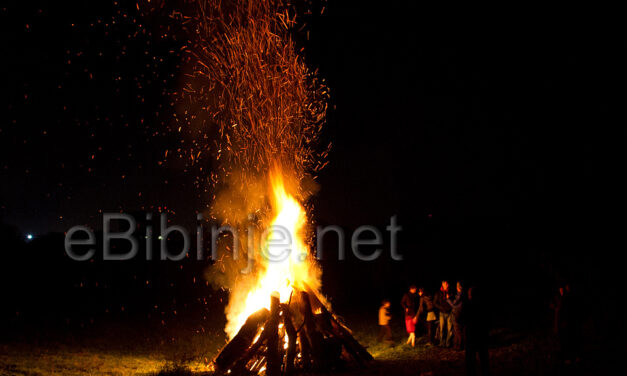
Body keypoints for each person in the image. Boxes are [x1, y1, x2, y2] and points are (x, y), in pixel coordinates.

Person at [463, 286, 489, 376]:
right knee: (484, 357)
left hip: (471, 335)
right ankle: (485, 372)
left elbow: (461, 319)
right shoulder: (484, 305)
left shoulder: (468, 306)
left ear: (470, 295)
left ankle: (472, 373)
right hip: (482, 335)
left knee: (470, 359)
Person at [434, 280, 454, 347]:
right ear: (442, 284)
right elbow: (435, 302)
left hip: (449, 313)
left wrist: (450, 298)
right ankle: (442, 343)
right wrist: (441, 308)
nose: (447, 285)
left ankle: (448, 343)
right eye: (446, 284)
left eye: (447, 284)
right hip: (442, 313)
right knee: (442, 329)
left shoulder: (451, 292)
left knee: (450, 329)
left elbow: (454, 302)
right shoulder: (438, 293)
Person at [448, 281, 464, 350]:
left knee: (457, 330)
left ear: (458, 288)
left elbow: (454, 304)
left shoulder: (459, 295)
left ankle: (460, 345)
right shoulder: (463, 294)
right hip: (460, 313)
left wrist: (448, 299)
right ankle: (456, 345)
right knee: (456, 330)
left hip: (456, 313)